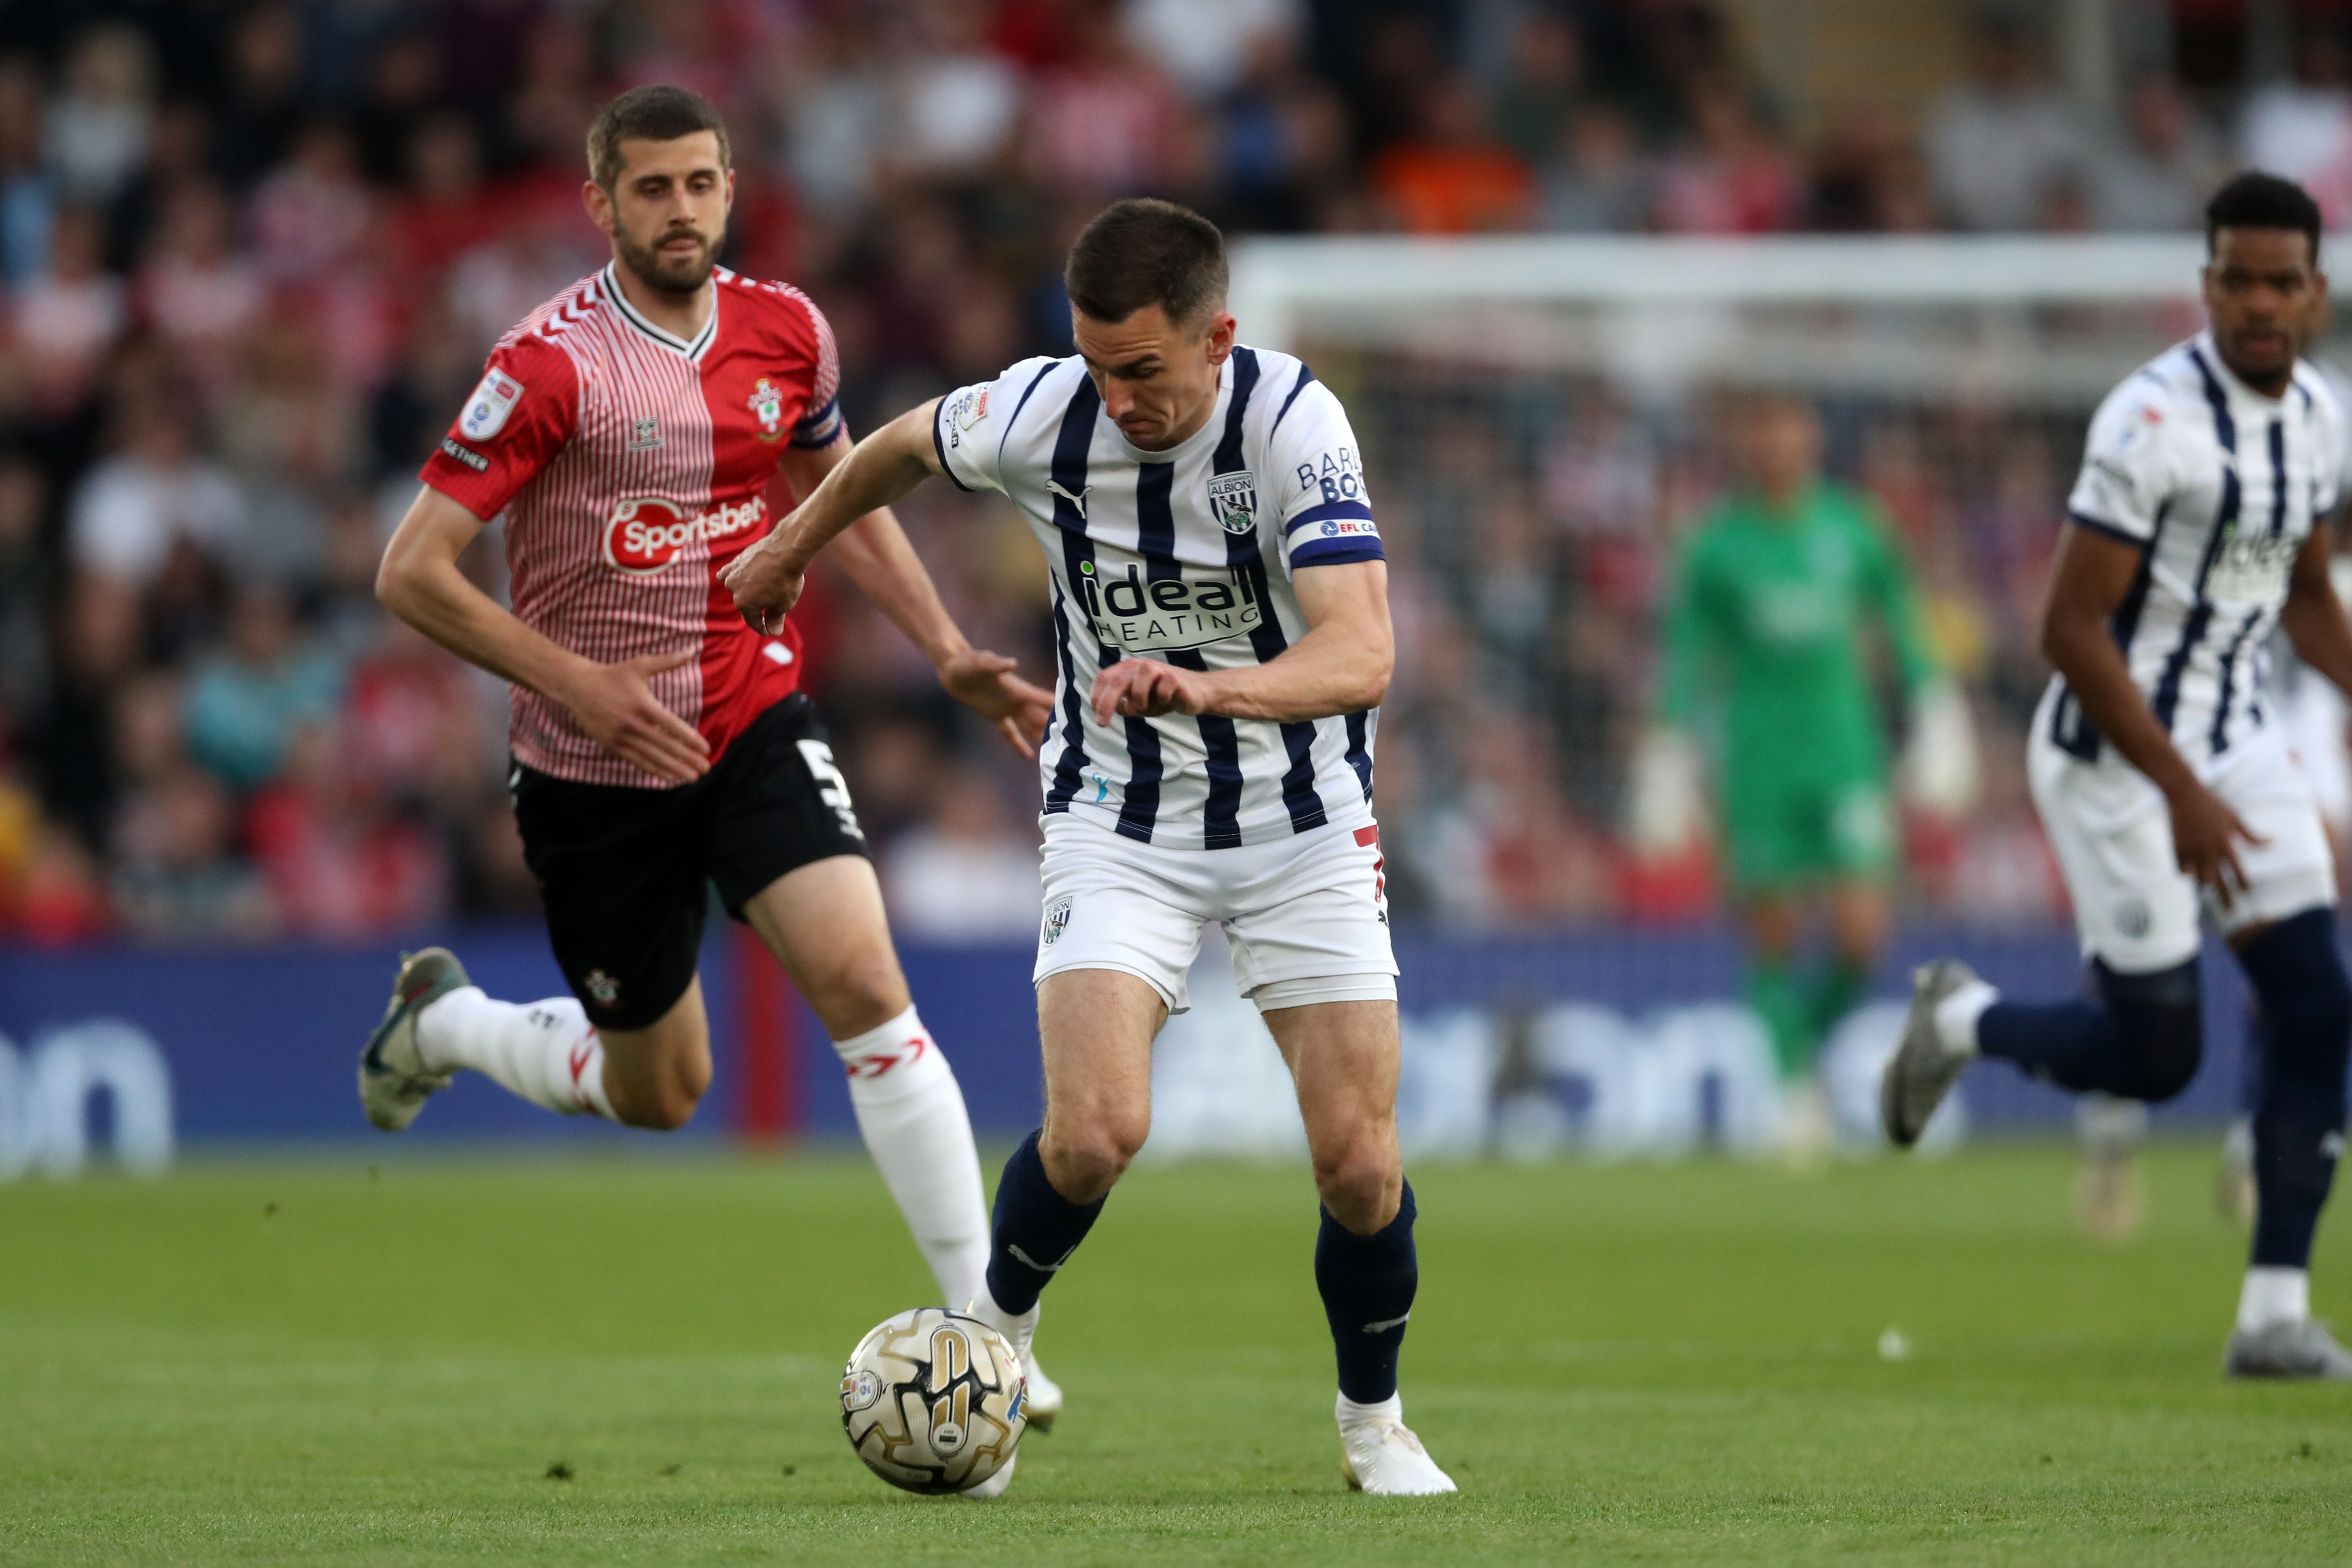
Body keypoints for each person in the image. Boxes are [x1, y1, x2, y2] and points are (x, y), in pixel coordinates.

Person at [722, 198, 1454, 1497]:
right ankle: (990, 1366)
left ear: (1216, 337)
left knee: (1356, 1161)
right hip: (1117, 820)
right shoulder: (1038, 411)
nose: (1116, 398)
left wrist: (1204, 686)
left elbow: (1363, 649)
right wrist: (788, 543)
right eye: (1096, 365)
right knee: (1092, 1135)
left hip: (1302, 826)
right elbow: (892, 447)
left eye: (1144, 372)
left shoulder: (1293, 425)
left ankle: (1371, 1427)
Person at [362, 86, 1066, 1420]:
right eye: (650, 189)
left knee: (865, 976)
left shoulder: (787, 330)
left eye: (699, 184)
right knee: (661, 1089)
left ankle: (987, 1339)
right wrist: (575, 681)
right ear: (602, 204)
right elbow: (410, 573)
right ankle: (445, 1024)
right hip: (591, 772)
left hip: (750, 720)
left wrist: (943, 649)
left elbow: (840, 494)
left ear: (729, 188)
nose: (678, 210)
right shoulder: (545, 364)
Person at [1883, 172, 2352, 1380]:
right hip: (2111, 755)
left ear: (2312, 293)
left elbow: (2302, 593)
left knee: (2316, 1005)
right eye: (2235, 279)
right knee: (2159, 1059)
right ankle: (1960, 1017)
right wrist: (2176, 789)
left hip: (2237, 741)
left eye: (2280, 281)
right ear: (2205, 285)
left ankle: (2269, 1314)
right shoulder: (2148, 424)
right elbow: (2067, 632)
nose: (2258, 301)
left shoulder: (2317, 418)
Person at [1635, 392, 1967, 1158]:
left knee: (1861, 934)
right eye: (1763, 426)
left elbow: (1902, 620)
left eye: (1791, 426)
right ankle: (1792, 1092)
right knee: (1774, 933)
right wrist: (1666, 751)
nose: (1779, 441)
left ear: (1812, 436)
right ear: (1746, 440)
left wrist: (1936, 707)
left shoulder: (1853, 527)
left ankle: (1804, 1052)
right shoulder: (1716, 545)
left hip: (1846, 755)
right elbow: (1686, 655)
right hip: (1756, 763)